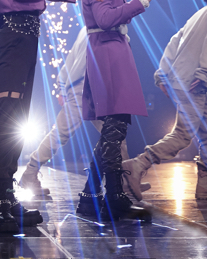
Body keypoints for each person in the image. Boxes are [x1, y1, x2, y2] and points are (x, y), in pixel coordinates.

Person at [0, 0, 102, 233]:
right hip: (13, 38)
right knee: (9, 117)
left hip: (24, 38)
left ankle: (7, 198)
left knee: (18, 119)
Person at [123, 0, 207, 203]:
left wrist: (162, 75)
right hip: (193, 83)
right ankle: (137, 165)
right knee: (183, 135)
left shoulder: (200, 13)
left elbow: (174, 41)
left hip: (184, 82)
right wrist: (204, 73)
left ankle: (205, 186)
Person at [79, 0, 157, 222]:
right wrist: (140, 2)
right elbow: (105, 19)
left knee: (114, 130)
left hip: (111, 52)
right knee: (114, 129)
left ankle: (94, 197)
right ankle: (112, 198)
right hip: (108, 54)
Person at [18, 27, 151, 198]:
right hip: (86, 87)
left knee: (113, 135)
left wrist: (62, 86)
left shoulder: (89, 27)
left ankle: (125, 181)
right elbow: (85, 60)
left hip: (88, 87)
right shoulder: (104, 27)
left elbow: (73, 57)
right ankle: (30, 173)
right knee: (68, 134)